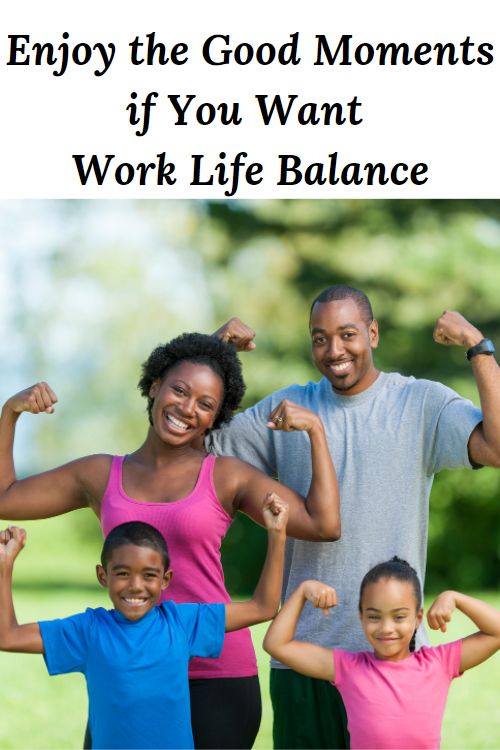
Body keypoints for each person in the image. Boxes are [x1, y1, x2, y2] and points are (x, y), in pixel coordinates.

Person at [0, 332, 340, 749]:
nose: (187, 409)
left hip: (217, 675)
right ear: (155, 385)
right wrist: (10, 412)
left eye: (205, 404)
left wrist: (316, 432)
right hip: (128, 671)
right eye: (179, 391)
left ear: (216, 418)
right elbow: (6, 499)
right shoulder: (99, 474)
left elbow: (324, 524)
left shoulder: (227, 475)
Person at [209, 285, 500, 748]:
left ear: (373, 332)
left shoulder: (420, 403)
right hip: (303, 658)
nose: (334, 350)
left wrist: (477, 346)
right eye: (319, 338)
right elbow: (196, 443)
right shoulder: (287, 409)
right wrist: (213, 354)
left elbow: (496, 446)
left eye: (347, 335)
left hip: (393, 663)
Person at [0, 493, 288, 750]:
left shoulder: (181, 623)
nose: (135, 585)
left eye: (149, 575)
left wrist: (277, 535)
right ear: (103, 576)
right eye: (123, 573)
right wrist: (5, 566)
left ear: (165, 580)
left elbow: (263, 607)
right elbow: (8, 637)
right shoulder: (88, 631)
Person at [263, 556, 500, 749]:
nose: (386, 628)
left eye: (399, 616)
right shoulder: (348, 667)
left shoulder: (438, 663)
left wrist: (455, 598)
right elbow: (276, 644)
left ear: (418, 618)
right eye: (374, 616)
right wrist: (303, 590)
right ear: (361, 617)